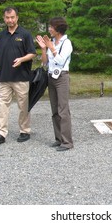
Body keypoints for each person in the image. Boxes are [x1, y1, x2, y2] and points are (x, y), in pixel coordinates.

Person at [0, 7, 36, 145]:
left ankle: (24, 130)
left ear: (17, 18)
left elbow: (32, 53)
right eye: (7, 18)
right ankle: (0, 133)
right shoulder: (0, 36)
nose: (10, 20)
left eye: (12, 17)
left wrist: (21, 59)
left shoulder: (25, 34)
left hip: (21, 77)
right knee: (3, 105)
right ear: (4, 19)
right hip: (4, 77)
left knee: (23, 106)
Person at [36, 17, 74, 151]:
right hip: (51, 76)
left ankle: (67, 142)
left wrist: (52, 48)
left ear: (58, 29)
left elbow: (61, 61)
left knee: (63, 110)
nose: (49, 29)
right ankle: (58, 139)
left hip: (62, 77)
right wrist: (43, 49)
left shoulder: (66, 43)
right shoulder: (51, 42)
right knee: (54, 110)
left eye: (51, 27)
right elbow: (45, 63)